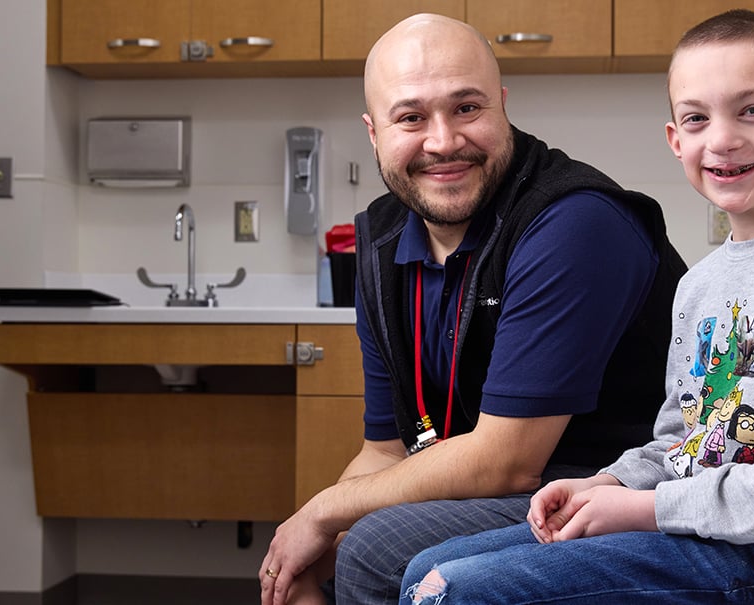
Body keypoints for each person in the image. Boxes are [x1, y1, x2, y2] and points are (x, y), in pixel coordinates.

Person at [400, 9, 754, 604]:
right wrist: (605, 484)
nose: (722, 138)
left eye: (753, 110)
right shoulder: (701, 283)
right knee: (427, 568)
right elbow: (682, 445)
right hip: (703, 536)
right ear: (676, 139)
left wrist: (640, 509)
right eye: (697, 118)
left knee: (455, 590)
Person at [258, 12, 687, 605]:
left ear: (502, 104)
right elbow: (385, 450)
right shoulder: (381, 242)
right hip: (509, 490)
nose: (443, 141)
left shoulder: (574, 222)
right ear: (374, 131)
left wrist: (325, 513)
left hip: (609, 486)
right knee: (321, 556)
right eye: (411, 117)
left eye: (467, 108)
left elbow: (505, 463)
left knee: (376, 547)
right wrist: (315, 543)